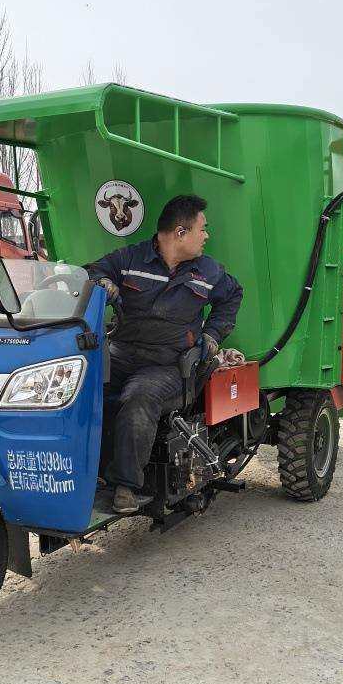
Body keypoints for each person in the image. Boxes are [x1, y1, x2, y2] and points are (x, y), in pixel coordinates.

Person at [87, 194, 243, 514]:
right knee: (82, 388)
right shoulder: (131, 259)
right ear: (180, 233)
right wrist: (103, 282)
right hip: (122, 353)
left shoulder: (209, 272)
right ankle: (83, 473)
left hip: (169, 365)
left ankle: (126, 486)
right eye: (203, 229)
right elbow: (93, 271)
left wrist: (212, 335)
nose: (206, 236)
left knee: (138, 397)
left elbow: (232, 296)